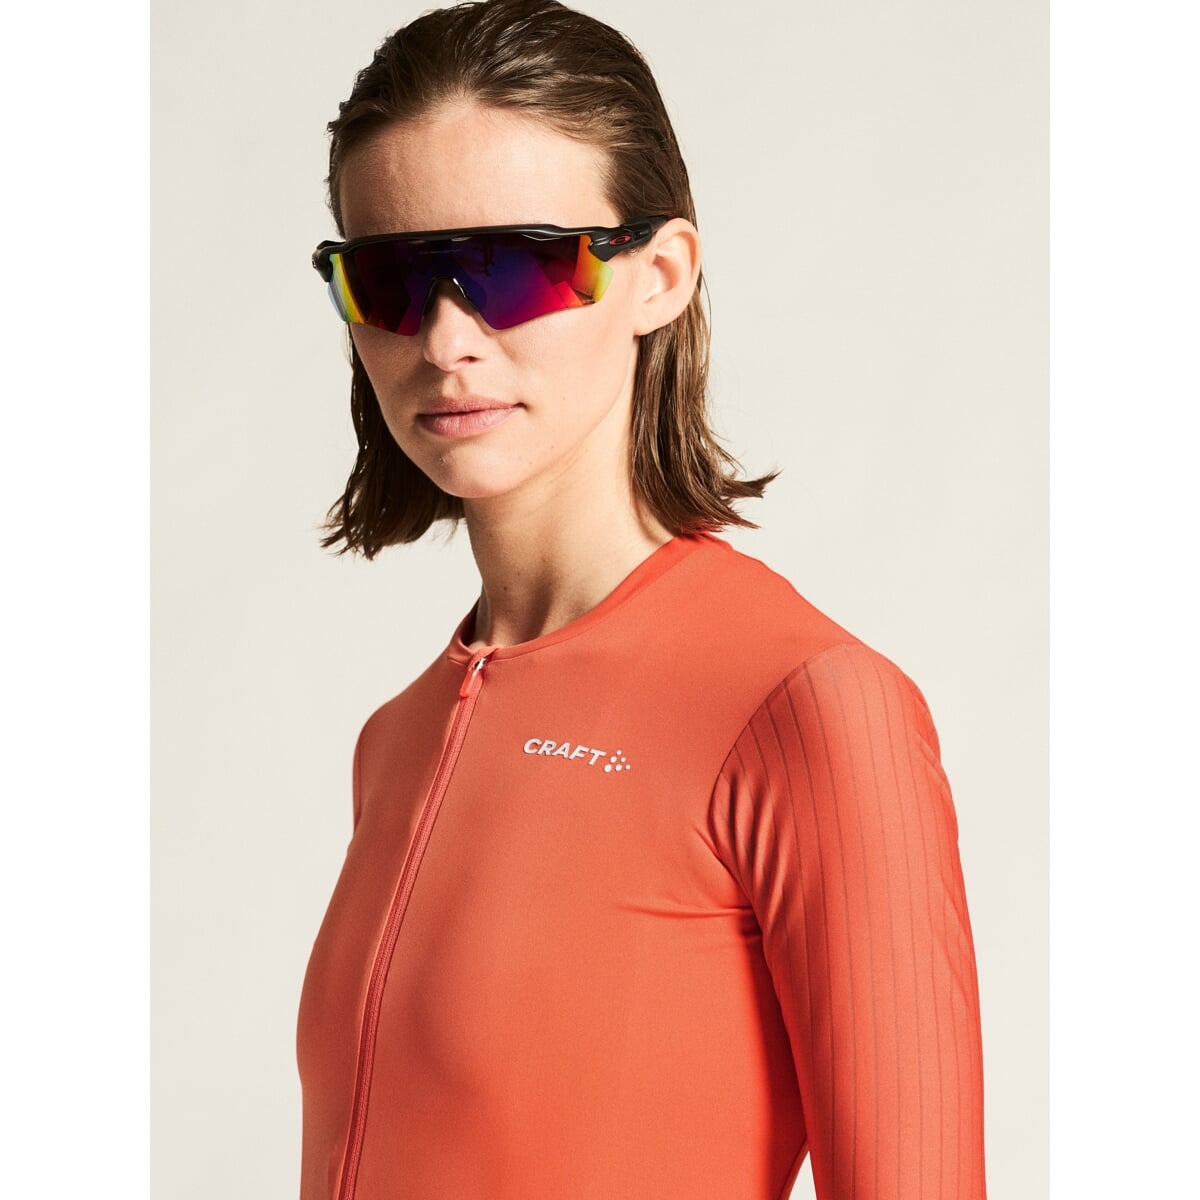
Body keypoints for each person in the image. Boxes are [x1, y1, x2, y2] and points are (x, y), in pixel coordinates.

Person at [297, 1, 987, 1197]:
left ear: (660, 276)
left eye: (515, 266)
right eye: (392, 280)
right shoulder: (394, 738)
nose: (448, 339)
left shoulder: (809, 709)